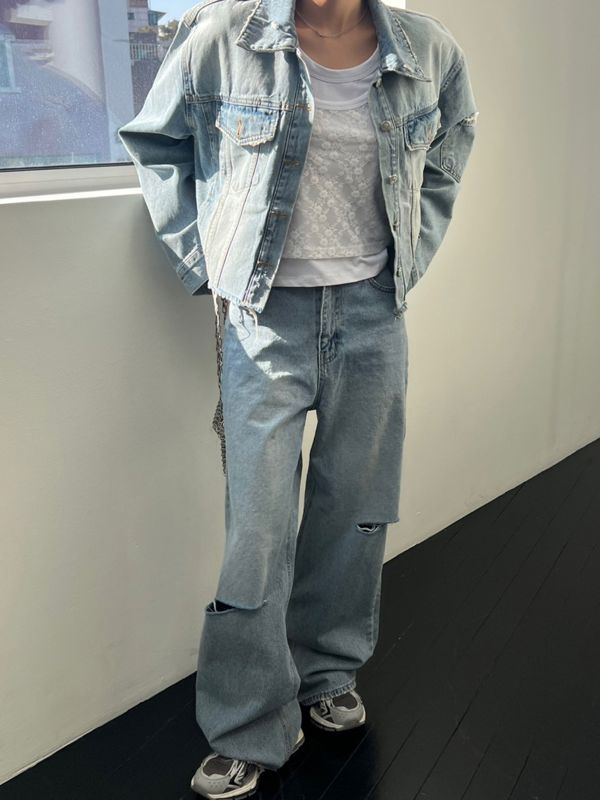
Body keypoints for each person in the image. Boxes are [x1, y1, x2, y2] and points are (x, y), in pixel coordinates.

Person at [118, 0, 479, 796]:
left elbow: (452, 144)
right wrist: (203, 261)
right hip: (262, 321)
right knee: (258, 528)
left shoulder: (427, 50)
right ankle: (248, 723)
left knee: (356, 511)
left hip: (374, 315)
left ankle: (327, 673)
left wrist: (413, 248)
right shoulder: (223, 37)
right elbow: (155, 143)